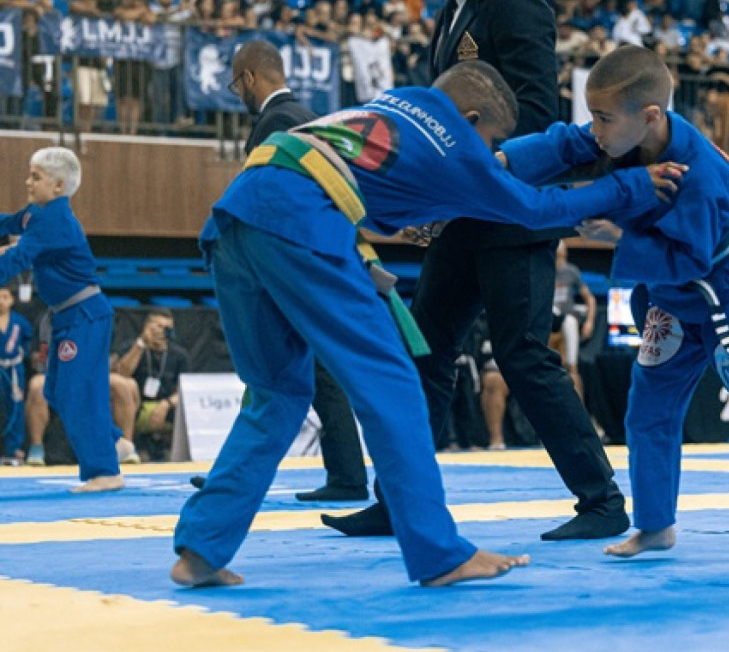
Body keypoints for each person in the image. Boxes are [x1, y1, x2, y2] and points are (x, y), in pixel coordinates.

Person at [171, 59, 684, 589]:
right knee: (393, 383)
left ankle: (203, 548)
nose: (490, 156)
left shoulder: (401, 106)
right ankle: (439, 553)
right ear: (469, 117)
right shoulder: (458, 147)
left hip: (235, 216)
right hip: (299, 219)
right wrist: (632, 189)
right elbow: (531, 206)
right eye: (489, 141)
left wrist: (584, 139)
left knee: (275, 394)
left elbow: (511, 161)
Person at [324, 0, 632, 543]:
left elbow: (538, 113)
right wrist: (433, 200)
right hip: (464, 212)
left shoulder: (514, 2)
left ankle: (603, 500)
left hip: (511, 211)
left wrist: (468, 181)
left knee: (522, 355)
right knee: (427, 352)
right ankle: (400, 498)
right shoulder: (452, 10)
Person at [500, 45, 729, 564]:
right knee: (648, 410)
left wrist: (617, 238)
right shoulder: (619, 137)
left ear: (649, 117)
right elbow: (564, 145)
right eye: (593, 116)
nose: (595, 130)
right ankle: (654, 525)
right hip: (670, 302)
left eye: (603, 118)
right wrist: (503, 159)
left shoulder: (703, 173)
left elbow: (690, 258)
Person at [223, 38, 367, 502]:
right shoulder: (305, 117)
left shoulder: (280, 120)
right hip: (313, 257)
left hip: (293, 259)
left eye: (235, 84)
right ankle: (345, 477)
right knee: (317, 375)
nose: (236, 94)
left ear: (248, 77)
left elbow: (272, 199)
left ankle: (240, 476)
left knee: (271, 374)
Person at [0, 147, 125, 492]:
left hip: (84, 316)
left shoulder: (54, 220)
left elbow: (16, 258)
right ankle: (114, 442)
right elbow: (9, 222)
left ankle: (105, 471)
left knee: (78, 391)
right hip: (69, 316)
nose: (27, 181)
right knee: (55, 390)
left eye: (35, 177)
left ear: (58, 186)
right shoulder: (38, 214)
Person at [113, 309, 189, 461]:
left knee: (183, 409)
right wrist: (141, 344)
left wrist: (166, 404)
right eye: (157, 327)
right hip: (134, 405)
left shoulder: (179, 355)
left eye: (166, 328)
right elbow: (121, 375)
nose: (161, 332)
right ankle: (127, 448)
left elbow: (186, 387)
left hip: (164, 406)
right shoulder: (131, 347)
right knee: (127, 385)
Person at [550, 242, 596, 401]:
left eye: (561, 256)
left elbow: (590, 298)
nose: (558, 260)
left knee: (571, 369)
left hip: (566, 321)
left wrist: (589, 321)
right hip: (547, 322)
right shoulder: (543, 270)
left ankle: (580, 411)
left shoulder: (571, 271)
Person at [0, 284, 31, 464]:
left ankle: (13, 449)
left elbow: (29, 342)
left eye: (5, 297)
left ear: (12, 300)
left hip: (14, 370)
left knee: (16, 407)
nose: (1, 301)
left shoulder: (19, 322)